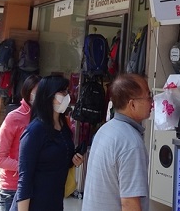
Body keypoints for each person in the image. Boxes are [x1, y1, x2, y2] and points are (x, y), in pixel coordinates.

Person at [82, 73, 153, 211]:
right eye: (148, 96)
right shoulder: (131, 143)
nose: (152, 102)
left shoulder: (105, 129)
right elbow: (129, 204)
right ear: (132, 104)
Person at [12, 75, 84, 211]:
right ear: (48, 95)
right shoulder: (35, 131)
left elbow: (56, 162)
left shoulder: (64, 128)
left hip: (55, 203)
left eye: (67, 91)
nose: (67, 96)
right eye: (62, 92)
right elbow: (25, 179)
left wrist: (73, 160)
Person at [0, 74, 41, 211]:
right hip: (13, 189)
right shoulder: (14, 118)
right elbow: (0, 159)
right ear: (27, 92)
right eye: (37, 92)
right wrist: (28, 167)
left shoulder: (45, 119)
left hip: (37, 188)